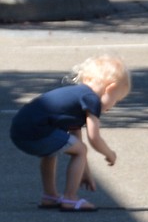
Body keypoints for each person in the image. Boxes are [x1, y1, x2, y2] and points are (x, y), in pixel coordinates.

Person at [9, 54, 131, 211]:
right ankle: (70, 199)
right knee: (80, 149)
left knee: (54, 150)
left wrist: (84, 172)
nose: (113, 106)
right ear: (110, 89)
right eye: (116, 100)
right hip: (35, 132)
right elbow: (94, 138)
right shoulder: (91, 99)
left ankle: (50, 196)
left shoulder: (77, 96)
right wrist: (109, 154)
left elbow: (75, 138)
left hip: (20, 131)